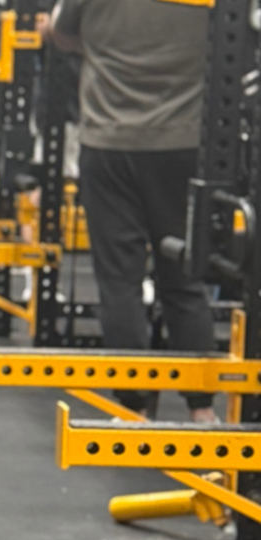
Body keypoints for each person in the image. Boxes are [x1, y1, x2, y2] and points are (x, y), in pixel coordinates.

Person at [47, 0, 218, 423]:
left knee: (119, 281)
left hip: (109, 143)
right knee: (184, 277)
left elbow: (61, 33)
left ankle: (132, 408)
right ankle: (202, 410)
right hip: (182, 146)